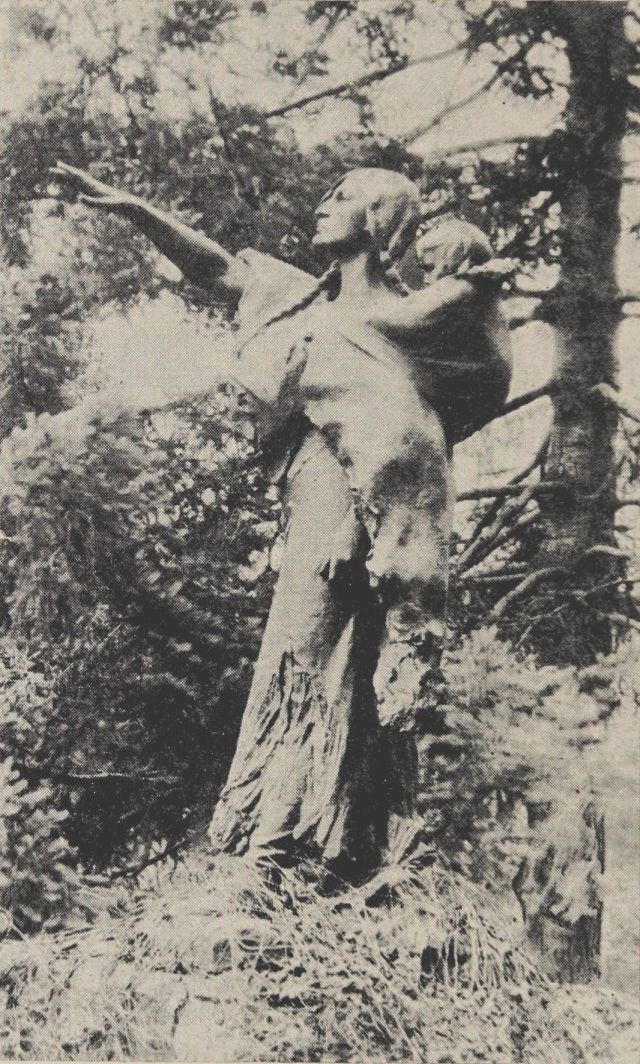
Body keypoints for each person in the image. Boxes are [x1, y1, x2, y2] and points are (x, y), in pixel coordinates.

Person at [51, 162, 509, 880]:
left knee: (322, 661)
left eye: (347, 196)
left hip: (349, 519)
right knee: (298, 656)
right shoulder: (304, 303)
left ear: (383, 221)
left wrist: (357, 533)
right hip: (309, 499)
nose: (326, 204)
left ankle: (296, 844)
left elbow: (407, 443)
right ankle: (298, 839)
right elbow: (219, 268)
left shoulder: (396, 323)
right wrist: (140, 210)